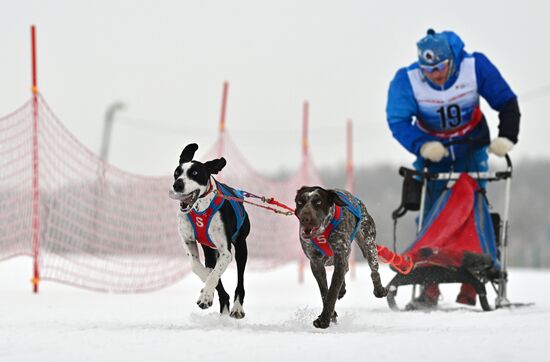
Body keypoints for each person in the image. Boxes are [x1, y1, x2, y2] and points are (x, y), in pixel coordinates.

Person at [385, 29, 521, 308]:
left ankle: (472, 283)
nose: (435, 74)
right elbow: (397, 120)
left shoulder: (474, 66)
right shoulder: (407, 79)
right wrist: (421, 145)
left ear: (452, 60)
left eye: (440, 67)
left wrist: (507, 136)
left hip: (471, 148)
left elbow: (507, 102)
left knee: (471, 207)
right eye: (429, 69)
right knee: (433, 213)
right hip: (434, 154)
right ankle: (429, 285)